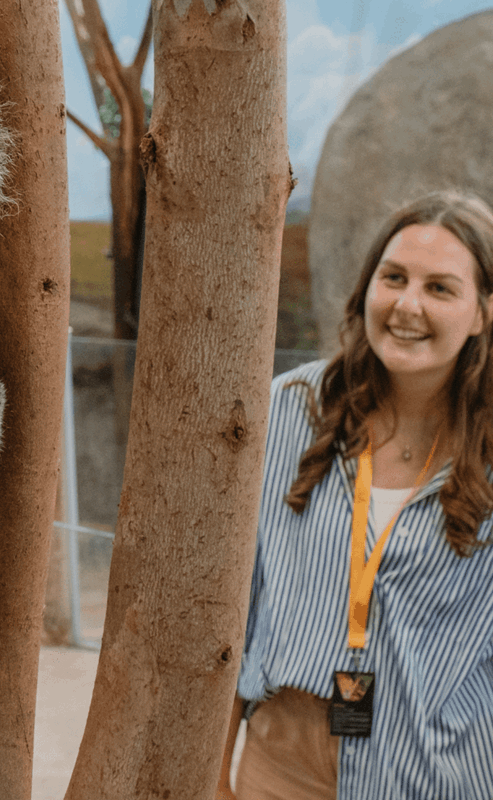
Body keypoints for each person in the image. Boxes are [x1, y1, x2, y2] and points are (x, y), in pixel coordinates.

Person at [216, 190, 493, 799]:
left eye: (441, 288)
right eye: (393, 278)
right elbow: (241, 596)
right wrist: (215, 775)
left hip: (432, 772)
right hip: (282, 762)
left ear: (481, 313)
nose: (407, 305)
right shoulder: (290, 409)